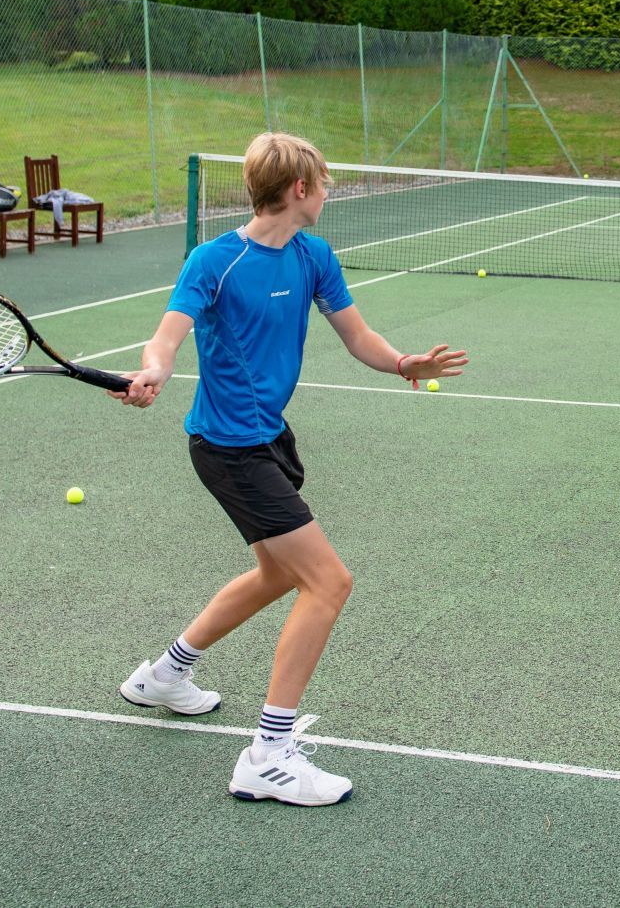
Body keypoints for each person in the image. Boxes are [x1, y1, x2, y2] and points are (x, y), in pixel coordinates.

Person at [111, 130, 467, 806]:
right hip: (227, 448)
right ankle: (269, 754)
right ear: (300, 189)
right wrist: (153, 370)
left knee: (280, 574)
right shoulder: (215, 260)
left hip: (270, 440)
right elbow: (167, 334)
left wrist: (401, 362)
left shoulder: (313, 255)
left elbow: (355, 332)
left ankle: (165, 674)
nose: (329, 192)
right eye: (325, 183)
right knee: (328, 581)